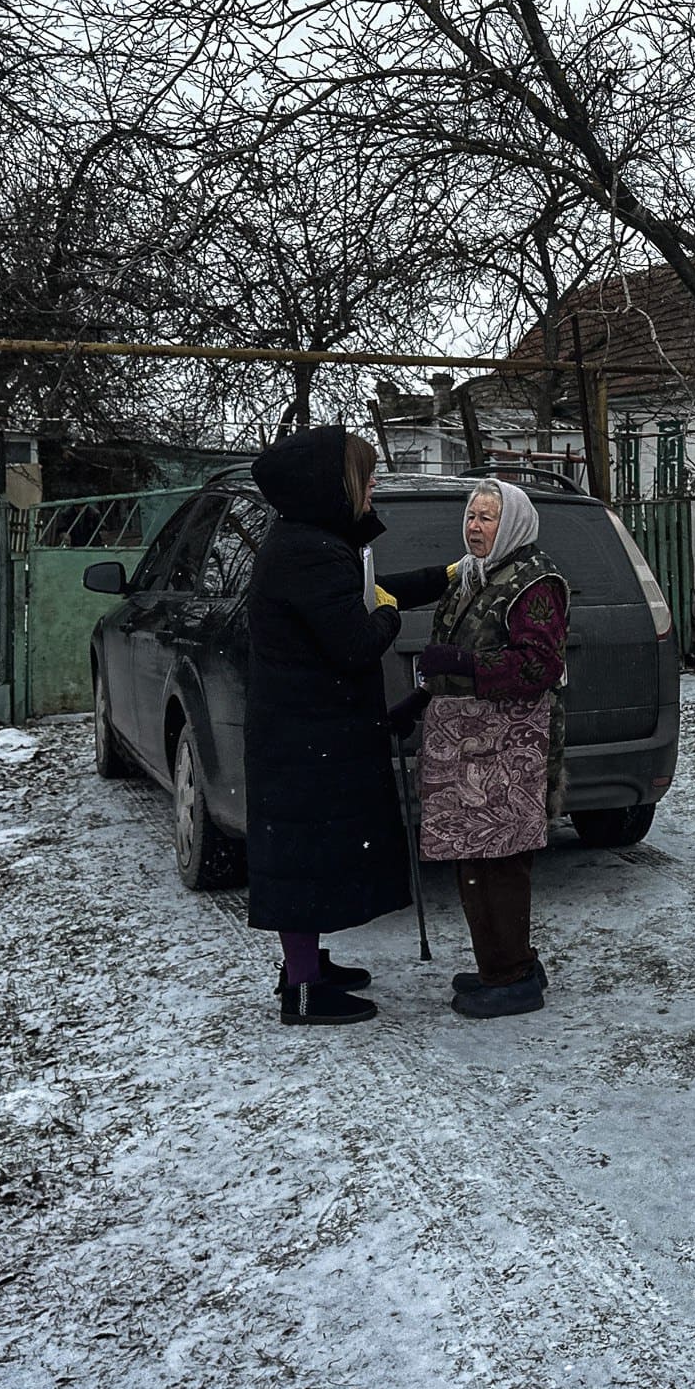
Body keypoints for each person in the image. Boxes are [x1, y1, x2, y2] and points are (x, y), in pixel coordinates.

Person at [245, 425, 441, 1026]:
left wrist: (449, 576)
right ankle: (304, 991)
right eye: (367, 474)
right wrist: (386, 618)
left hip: (305, 731)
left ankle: (307, 966)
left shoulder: (310, 542)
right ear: (334, 484)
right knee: (302, 859)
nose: (375, 483)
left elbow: (367, 591)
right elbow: (356, 639)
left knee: (308, 857)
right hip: (306, 737)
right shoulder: (309, 553)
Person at [388, 477, 569, 1019]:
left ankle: (511, 976)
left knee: (500, 857)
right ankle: (504, 962)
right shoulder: (471, 577)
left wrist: (467, 667)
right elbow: (451, 650)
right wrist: (420, 699)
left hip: (509, 746)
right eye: (471, 516)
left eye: (487, 517)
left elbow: (540, 666)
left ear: (511, 522)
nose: (475, 526)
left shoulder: (535, 583)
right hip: (466, 742)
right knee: (473, 855)